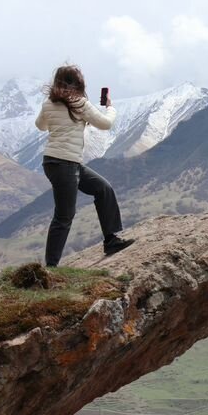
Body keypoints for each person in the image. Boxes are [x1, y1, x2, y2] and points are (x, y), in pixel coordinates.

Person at [35, 64, 133, 267]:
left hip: (57, 163)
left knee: (103, 189)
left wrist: (56, 120)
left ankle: (111, 240)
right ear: (78, 83)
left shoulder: (48, 104)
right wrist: (110, 107)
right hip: (66, 164)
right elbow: (106, 124)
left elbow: (41, 125)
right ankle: (51, 268)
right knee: (64, 215)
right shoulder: (80, 103)